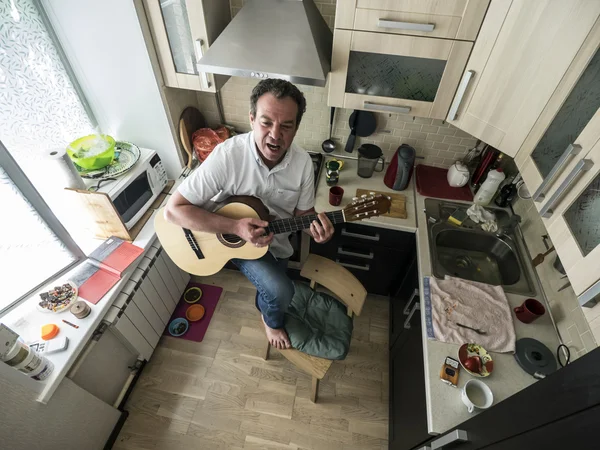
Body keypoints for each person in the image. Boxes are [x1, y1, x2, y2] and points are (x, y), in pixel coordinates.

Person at [164, 78, 334, 350]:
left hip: (275, 243)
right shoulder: (227, 156)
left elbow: (304, 213)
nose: (275, 135)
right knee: (281, 291)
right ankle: (271, 322)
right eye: (266, 122)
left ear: (296, 128)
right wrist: (235, 228)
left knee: (272, 291)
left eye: (286, 126)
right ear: (252, 119)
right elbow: (174, 211)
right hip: (225, 236)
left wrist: (317, 230)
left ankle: (266, 304)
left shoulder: (303, 164)